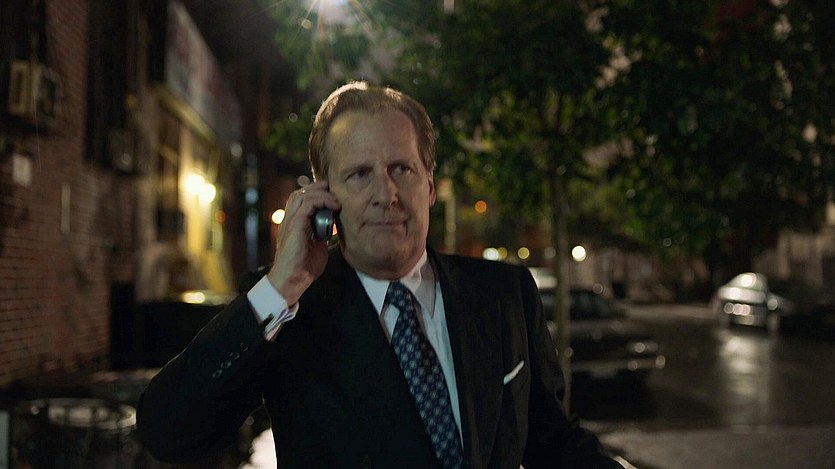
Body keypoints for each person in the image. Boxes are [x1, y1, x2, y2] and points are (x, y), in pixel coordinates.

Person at [136, 81, 621, 468]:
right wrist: (280, 289)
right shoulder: (290, 311)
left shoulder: (502, 293)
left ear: (430, 186)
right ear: (323, 199)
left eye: (401, 169)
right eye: (359, 174)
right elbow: (168, 432)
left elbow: (552, 442)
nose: (385, 194)